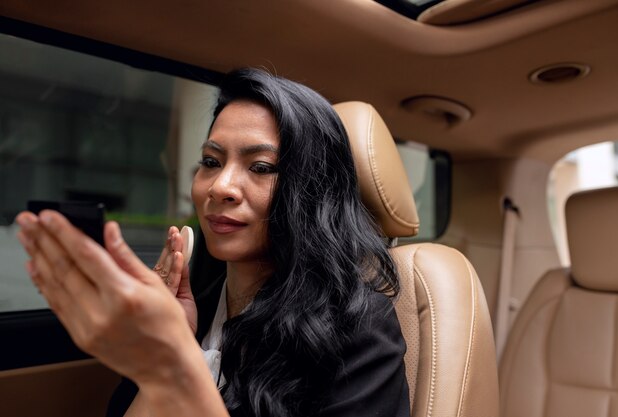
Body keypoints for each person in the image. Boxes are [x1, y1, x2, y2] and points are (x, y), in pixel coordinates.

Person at [15, 68, 410, 417]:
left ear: (313, 191)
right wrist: (171, 343)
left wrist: (174, 364)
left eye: (260, 167)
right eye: (211, 161)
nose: (220, 187)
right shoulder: (194, 307)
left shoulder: (359, 328)